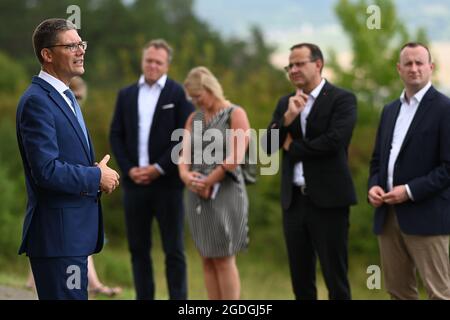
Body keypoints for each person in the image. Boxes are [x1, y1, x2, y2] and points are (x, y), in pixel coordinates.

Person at [16, 18, 119, 300]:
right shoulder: (38, 100)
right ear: (47, 55)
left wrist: (95, 171)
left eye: (81, 44)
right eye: (71, 45)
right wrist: (96, 176)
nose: (80, 50)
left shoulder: (67, 96)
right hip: (58, 238)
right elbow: (46, 170)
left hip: (73, 237)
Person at [263, 43, 357, 300]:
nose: (293, 69)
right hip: (293, 202)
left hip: (329, 202)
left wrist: (293, 148)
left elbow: (334, 142)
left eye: (299, 63)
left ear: (318, 64)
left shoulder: (342, 99)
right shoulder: (285, 102)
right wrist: (288, 119)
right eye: (289, 65)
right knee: (301, 280)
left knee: (335, 279)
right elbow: (267, 147)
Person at [109, 39, 194, 300]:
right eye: (149, 60)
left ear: (167, 64)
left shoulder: (179, 94)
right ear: (142, 61)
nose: (153, 65)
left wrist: (159, 168)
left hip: (168, 184)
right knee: (138, 249)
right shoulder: (126, 94)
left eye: (158, 62)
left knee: (174, 250)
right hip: (135, 185)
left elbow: (186, 138)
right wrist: (128, 169)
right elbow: (116, 135)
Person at [368, 42, 450, 300]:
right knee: (399, 292)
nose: (414, 68)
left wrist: (410, 191)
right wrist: (373, 185)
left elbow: (448, 168)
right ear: (399, 69)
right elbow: (378, 160)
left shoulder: (445, 108)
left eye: (419, 63)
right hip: (388, 215)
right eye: (408, 63)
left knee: (439, 293)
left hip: (427, 215)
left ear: (431, 67)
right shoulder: (390, 110)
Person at [179, 66, 250, 300]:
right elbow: (184, 154)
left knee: (223, 256)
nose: (196, 102)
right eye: (192, 98)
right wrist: (185, 176)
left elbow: (236, 157)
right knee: (206, 256)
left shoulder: (234, 113)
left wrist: (209, 180)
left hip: (225, 190)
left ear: (210, 89)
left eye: (198, 97)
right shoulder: (194, 118)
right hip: (196, 191)